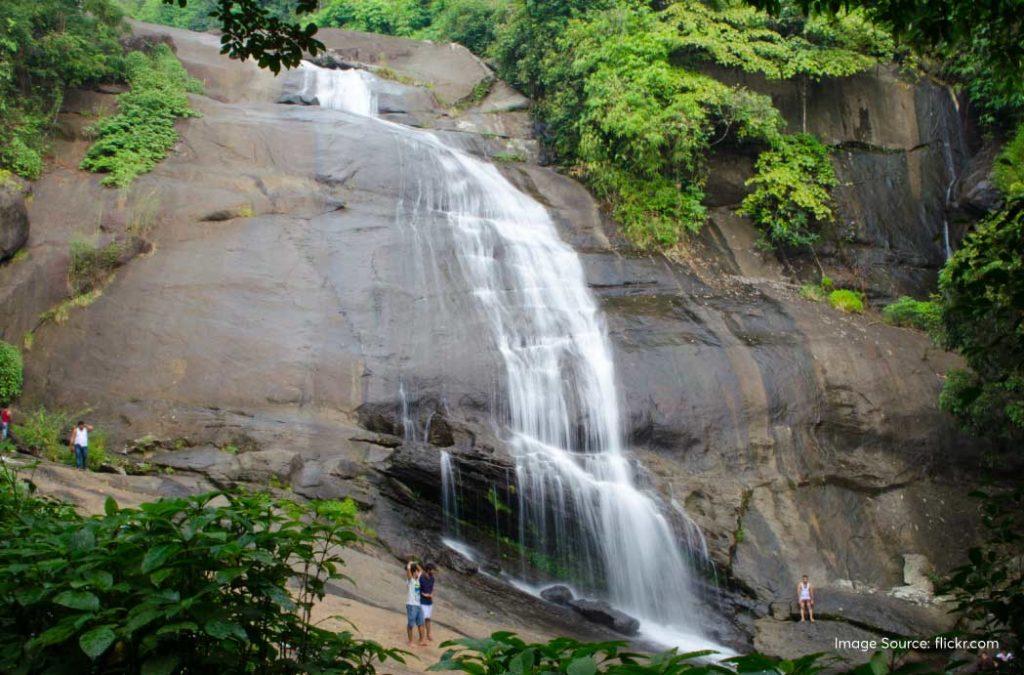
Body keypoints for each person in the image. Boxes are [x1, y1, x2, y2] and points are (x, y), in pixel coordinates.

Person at [405, 561, 426, 647]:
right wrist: (409, 565)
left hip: (419, 605)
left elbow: (422, 571)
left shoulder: (418, 580)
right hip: (411, 605)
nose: (418, 572)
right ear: (413, 572)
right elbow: (409, 574)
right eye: (416, 571)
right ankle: (410, 642)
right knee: (411, 624)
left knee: (421, 623)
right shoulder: (410, 581)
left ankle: (421, 640)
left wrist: (415, 563)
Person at [420, 562, 437, 641]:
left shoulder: (432, 578)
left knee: (428, 618)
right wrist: (423, 594)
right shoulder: (421, 578)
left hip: (429, 601)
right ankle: (422, 637)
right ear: (428, 570)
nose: (434, 572)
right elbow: (417, 589)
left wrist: (432, 594)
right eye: (433, 570)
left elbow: (432, 588)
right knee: (422, 619)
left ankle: (428, 634)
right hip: (422, 601)